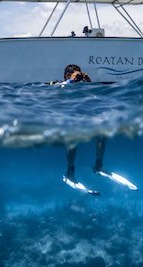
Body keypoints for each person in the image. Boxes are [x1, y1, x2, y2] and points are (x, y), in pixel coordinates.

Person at [55, 65, 138, 195]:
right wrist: (71, 81)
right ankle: (69, 173)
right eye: (76, 75)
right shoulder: (61, 83)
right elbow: (59, 90)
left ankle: (98, 166)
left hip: (85, 119)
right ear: (67, 76)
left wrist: (88, 83)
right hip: (69, 121)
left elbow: (95, 98)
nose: (78, 77)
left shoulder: (83, 86)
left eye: (79, 74)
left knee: (102, 133)